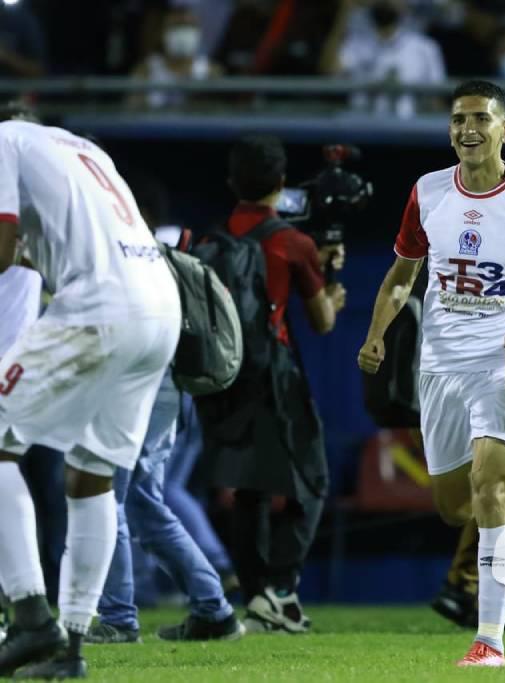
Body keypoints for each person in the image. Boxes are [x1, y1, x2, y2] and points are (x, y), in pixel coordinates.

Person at [358, 80, 505, 667]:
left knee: (491, 493)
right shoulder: (428, 192)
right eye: (459, 119)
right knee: (453, 507)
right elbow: (402, 275)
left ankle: (489, 639)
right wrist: (376, 334)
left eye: (481, 118)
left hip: (503, 362)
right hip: (439, 363)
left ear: (504, 130)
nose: (468, 128)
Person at [0, 115, 181, 678]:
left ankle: (30, 615)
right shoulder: (81, 149)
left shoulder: (1, 139)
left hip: (101, 306)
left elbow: (3, 249)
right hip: (158, 307)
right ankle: (70, 648)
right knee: (90, 474)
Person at [86, 174, 243, 645]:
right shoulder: (161, 250)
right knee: (142, 501)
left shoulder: (120, 250)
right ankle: (213, 609)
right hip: (169, 387)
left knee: (106, 496)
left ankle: (118, 617)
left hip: (135, 385)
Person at [204, 136, 345, 635]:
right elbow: (323, 320)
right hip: (275, 373)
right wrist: (333, 286)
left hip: (224, 374)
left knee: (249, 488)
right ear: (282, 184)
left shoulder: (213, 236)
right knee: (312, 479)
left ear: (231, 182)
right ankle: (280, 591)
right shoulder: (294, 242)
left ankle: (258, 593)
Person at [129, 5, 224, 110]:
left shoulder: (212, 72)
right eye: (176, 26)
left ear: (199, 31)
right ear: (162, 32)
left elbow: (219, 112)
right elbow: (132, 111)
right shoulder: (145, 70)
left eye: (189, 26)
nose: (183, 32)